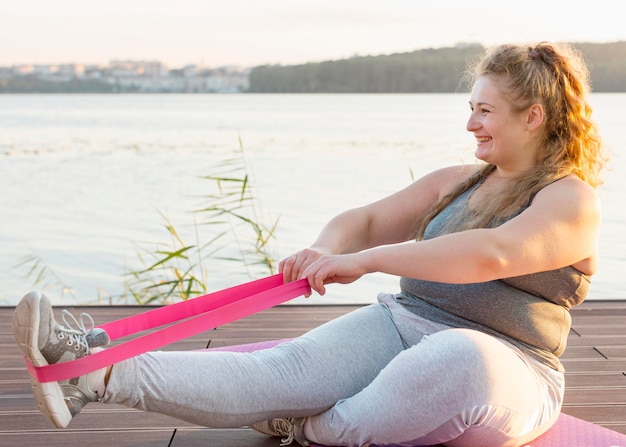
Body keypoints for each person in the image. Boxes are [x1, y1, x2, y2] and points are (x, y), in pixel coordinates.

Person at [13, 41, 606, 447]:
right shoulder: (459, 180)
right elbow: (369, 221)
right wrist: (324, 250)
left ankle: (309, 428)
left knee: (459, 358)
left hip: (509, 365)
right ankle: (90, 370)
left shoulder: (569, 199)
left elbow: (491, 255)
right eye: (470, 108)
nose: (471, 123)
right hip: (403, 324)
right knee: (275, 370)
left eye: (485, 110)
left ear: (532, 116)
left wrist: (364, 263)